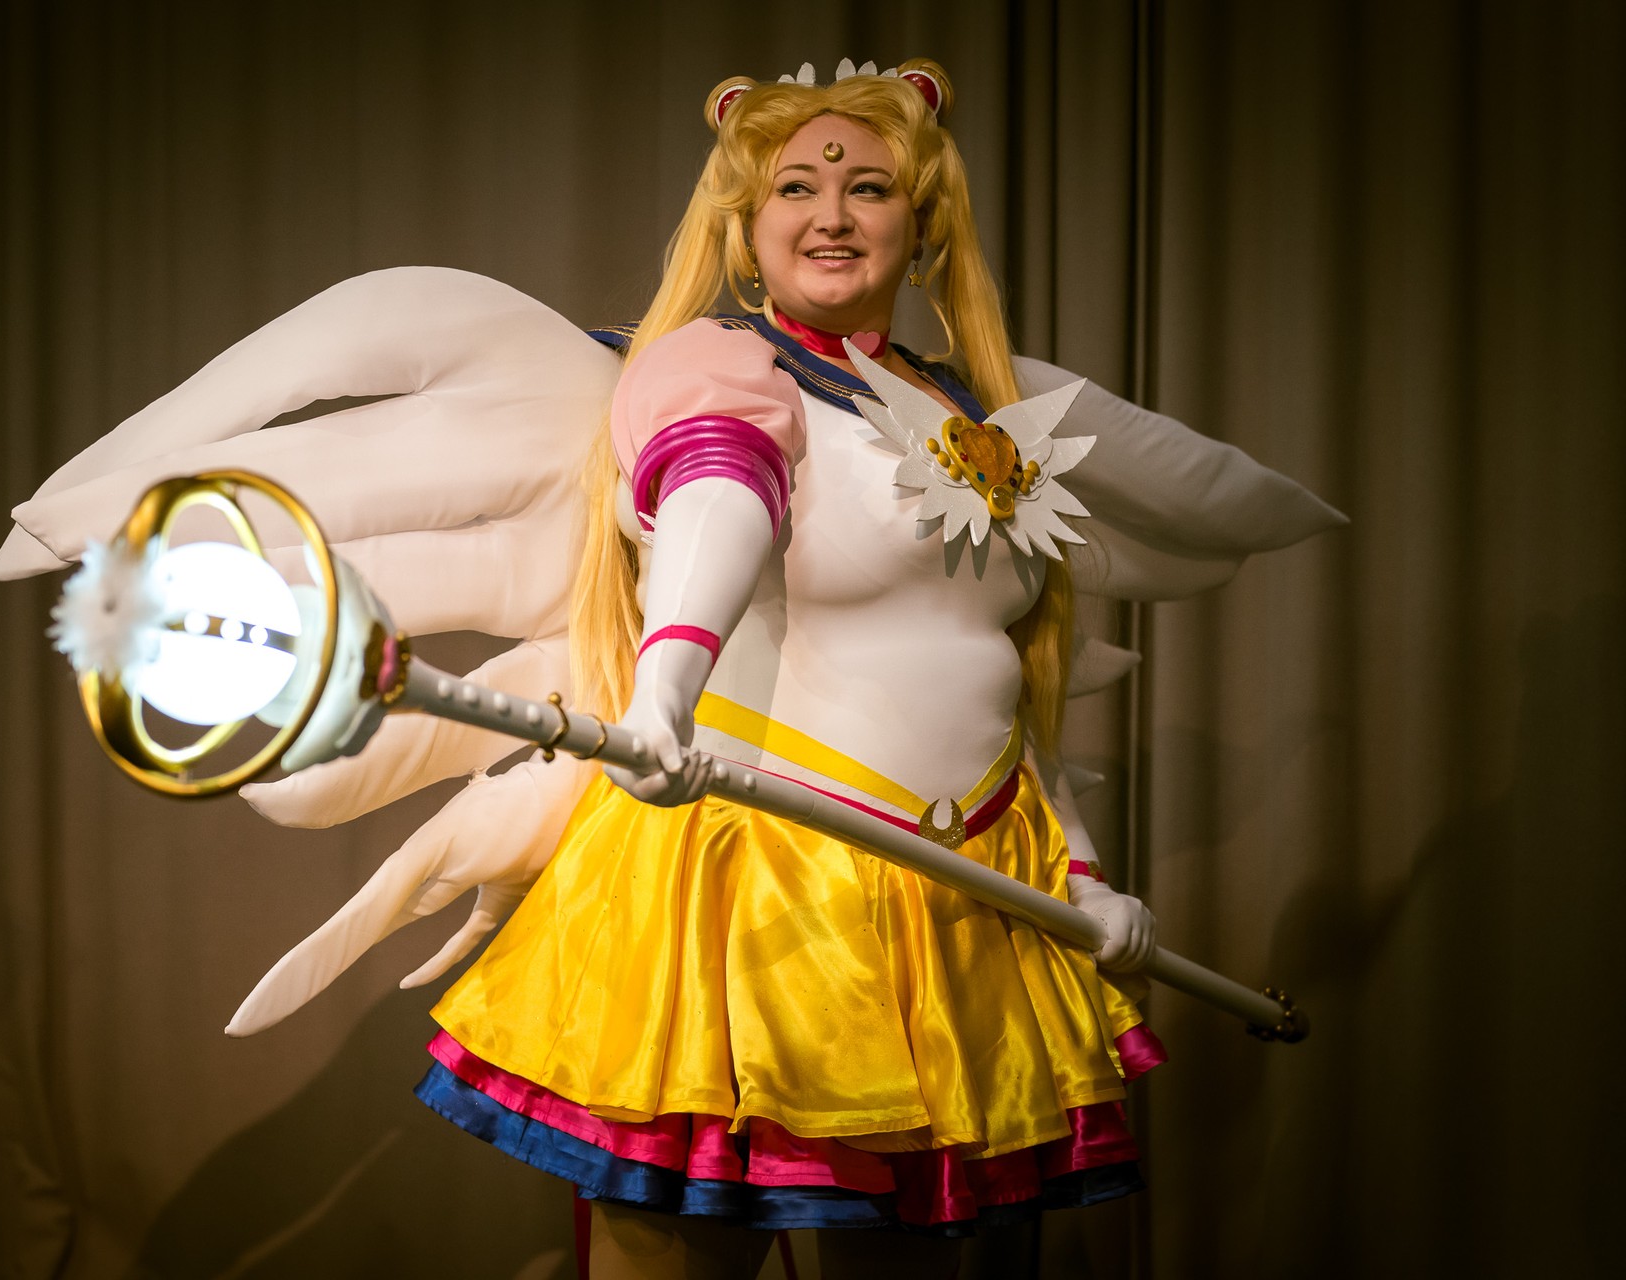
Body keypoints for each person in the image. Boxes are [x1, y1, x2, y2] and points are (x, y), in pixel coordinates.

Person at [417, 59, 1164, 1277]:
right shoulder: (715, 363)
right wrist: (665, 690)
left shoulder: (966, 415)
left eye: (868, 187)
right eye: (796, 189)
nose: (832, 215)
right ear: (746, 222)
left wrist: (1080, 873)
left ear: (921, 221)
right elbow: (721, 492)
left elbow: (993, 671)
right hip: (758, 881)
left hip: (964, 895)